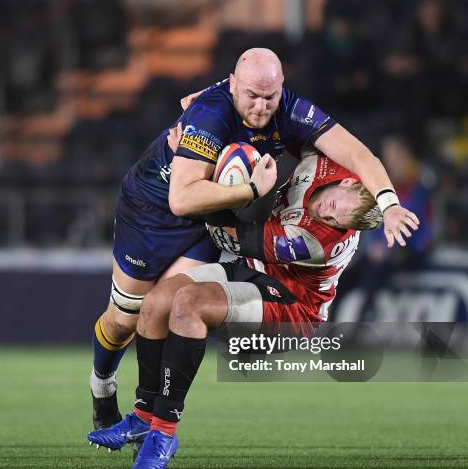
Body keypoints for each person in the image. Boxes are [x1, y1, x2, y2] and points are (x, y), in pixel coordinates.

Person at [90, 47, 418, 430]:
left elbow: (359, 153)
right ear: (233, 86)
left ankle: (148, 420)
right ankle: (102, 386)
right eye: (252, 96)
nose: (262, 107)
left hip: (207, 220)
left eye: (270, 97)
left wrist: (390, 204)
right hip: (152, 210)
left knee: (163, 305)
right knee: (122, 321)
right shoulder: (211, 112)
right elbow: (181, 200)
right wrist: (249, 189)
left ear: (282, 88)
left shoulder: (290, 112)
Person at [87, 147, 395, 469]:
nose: (327, 215)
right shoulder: (325, 163)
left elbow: (234, 239)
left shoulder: (317, 241)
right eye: (334, 207)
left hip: (293, 308)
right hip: (254, 271)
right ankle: (143, 418)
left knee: (188, 306)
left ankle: (163, 433)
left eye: (337, 220)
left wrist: (213, 188)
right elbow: (292, 129)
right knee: (155, 302)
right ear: (347, 182)